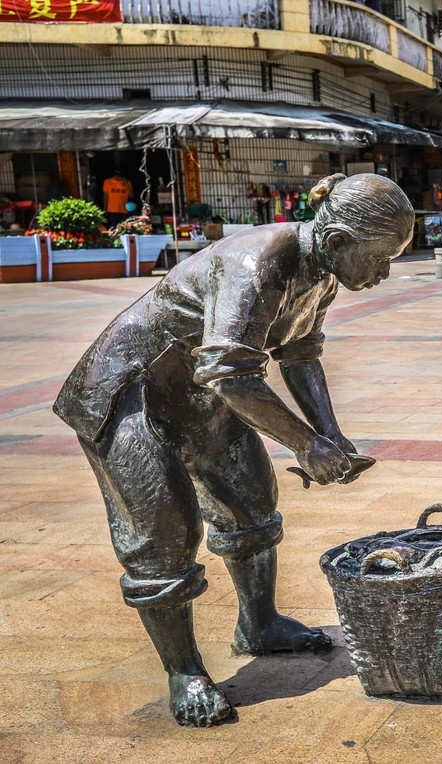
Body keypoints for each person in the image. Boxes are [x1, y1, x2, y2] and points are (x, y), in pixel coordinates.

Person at [52, 173, 415, 728]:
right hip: (131, 393)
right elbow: (231, 370)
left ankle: (259, 623)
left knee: (250, 501)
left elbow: (298, 354)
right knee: (163, 532)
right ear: (339, 240)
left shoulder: (323, 272)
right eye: (381, 258)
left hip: (205, 392)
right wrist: (305, 444)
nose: (385, 272)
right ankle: (185, 671)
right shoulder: (262, 261)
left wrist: (330, 436)